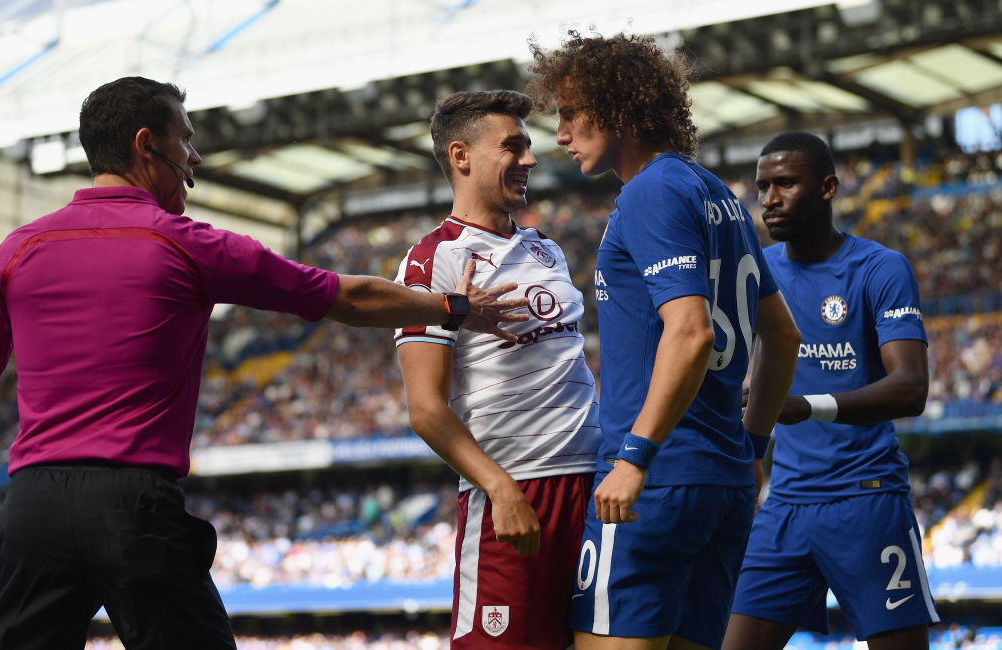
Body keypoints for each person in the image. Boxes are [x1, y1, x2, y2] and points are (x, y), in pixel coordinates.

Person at [0, 76, 528, 650]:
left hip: (30, 509)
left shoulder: (17, 250)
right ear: (146, 145)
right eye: (186, 140)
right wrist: (450, 305)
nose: (194, 156)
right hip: (134, 505)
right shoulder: (187, 243)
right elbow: (348, 297)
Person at [526, 33, 800, 650]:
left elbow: (692, 330)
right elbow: (782, 334)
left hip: (656, 482)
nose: (561, 134)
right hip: (722, 483)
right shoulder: (717, 195)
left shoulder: (649, 193)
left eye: (570, 113)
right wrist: (751, 447)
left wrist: (634, 458)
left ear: (617, 106)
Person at [394, 89, 600, 649]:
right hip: (515, 496)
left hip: (594, 488)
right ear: (461, 157)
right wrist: (499, 487)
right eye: (513, 147)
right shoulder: (435, 258)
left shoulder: (547, 251)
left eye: (529, 146)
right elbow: (425, 408)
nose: (530, 159)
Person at [723, 131, 940, 650]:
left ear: (827, 187)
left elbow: (911, 388)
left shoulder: (880, 268)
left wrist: (806, 407)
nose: (769, 199)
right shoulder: (761, 271)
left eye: (785, 184)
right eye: (762, 186)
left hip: (866, 500)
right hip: (785, 506)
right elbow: (755, 367)